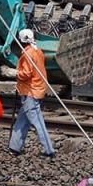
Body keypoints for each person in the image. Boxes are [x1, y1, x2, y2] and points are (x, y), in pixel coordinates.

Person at [8, 29, 55, 158]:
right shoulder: (37, 51)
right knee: (22, 120)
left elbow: (26, 74)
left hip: (31, 92)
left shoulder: (28, 54)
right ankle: (14, 147)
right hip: (35, 90)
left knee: (38, 122)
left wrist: (14, 73)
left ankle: (49, 150)